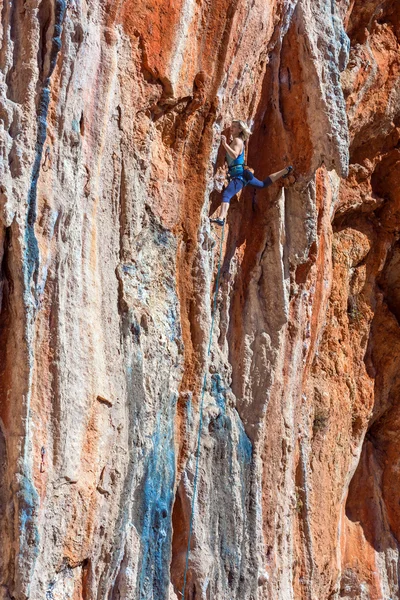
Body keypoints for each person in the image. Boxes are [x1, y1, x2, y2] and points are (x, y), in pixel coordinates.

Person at [210, 119, 293, 226]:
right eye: (232, 126)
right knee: (262, 184)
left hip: (239, 175)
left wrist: (225, 144)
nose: (231, 128)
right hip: (242, 174)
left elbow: (234, 155)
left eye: (234, 126)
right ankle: (285, 171)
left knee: (227, 194)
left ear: (240, 130)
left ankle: (221, 218)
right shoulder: (237, 141)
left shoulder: (238, 141)